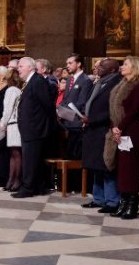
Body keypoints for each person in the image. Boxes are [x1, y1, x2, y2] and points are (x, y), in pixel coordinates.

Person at [108, 56, 139, 219]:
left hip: (131, 129)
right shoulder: (121, 84)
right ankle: (124, 201)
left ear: (135, 67)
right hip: (119, 129)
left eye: (125, 64)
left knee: (130, 166)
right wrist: (114, 127)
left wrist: (120, 127)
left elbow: (134, 109)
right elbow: (113, 109)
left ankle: (132, 203)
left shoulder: (138, 85)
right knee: (122, 167)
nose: (122, 67)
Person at [13, 56, 57, 197]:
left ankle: (28, 188)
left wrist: (41, 125)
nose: (18, 69)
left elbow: (47, 105)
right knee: (33, 159)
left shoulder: (37, 81)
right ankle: (37, 187)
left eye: (20, 66)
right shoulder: (30, 81)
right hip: (30, 128)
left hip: (35, 128)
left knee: (31, 160)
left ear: (30, 68)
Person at [81, 58, 120, 212]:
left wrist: (92, 119)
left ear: (113, 69)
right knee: (95, 165)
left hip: (104, 129)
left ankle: (111, 201)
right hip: (92, 129)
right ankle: (98, 198)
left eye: (103, 65)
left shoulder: (115, 83)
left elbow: (112, 110)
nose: (99, 67)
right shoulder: (99, 82)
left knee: (106, 165)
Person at [60, 53, 93, 159]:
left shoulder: (86, 80)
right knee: (66, 155)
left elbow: (81, 103)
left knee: (74, 156)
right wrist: (59, 110)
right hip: (66, 122)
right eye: (67, 63)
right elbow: (65, 99)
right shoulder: (70, 79)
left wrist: (63, 112)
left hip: (76, 123)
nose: (67, 65)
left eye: (70, 63)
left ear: (79, 64)